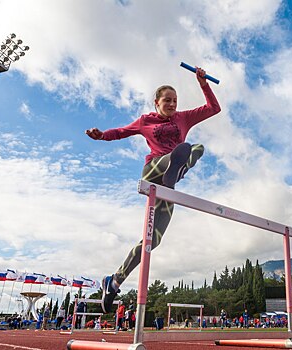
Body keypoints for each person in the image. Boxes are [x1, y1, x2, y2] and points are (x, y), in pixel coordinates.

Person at [86, 67, 221, 313]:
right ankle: (173, 168)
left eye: (175, 101)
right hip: (153, 171)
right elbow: (121, 132)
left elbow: (214, 109)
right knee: (175, 154)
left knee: (153, 240)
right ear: (156, 102)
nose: (172, 104)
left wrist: (203, 83)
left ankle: (114, 281)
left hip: (167, 186)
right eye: (167, 100)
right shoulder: (145, 121)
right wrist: (101, 135)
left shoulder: (183, 118)